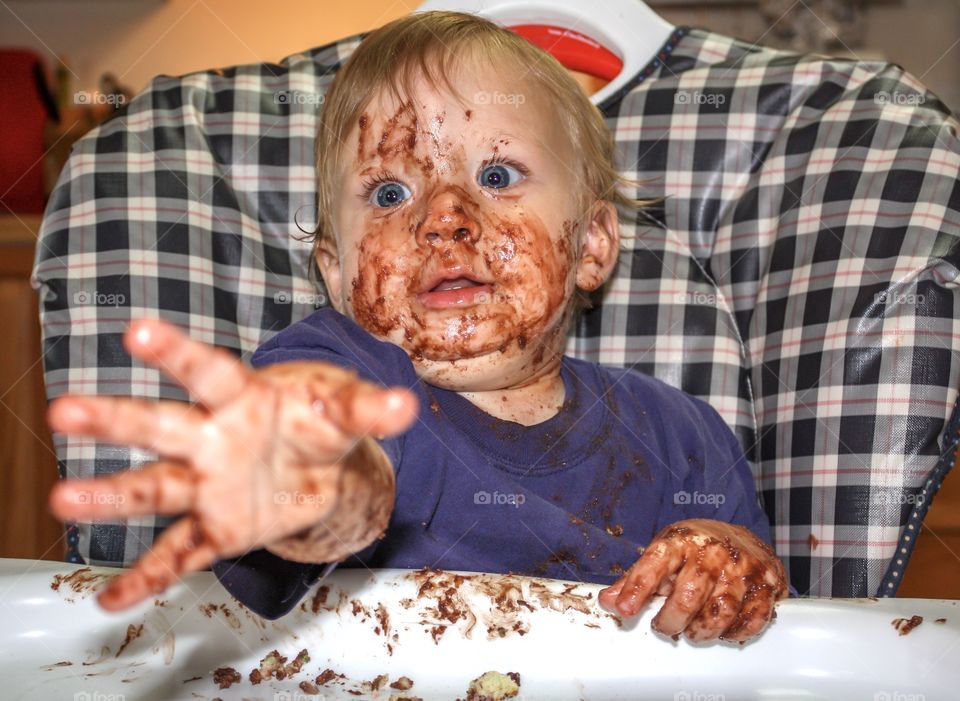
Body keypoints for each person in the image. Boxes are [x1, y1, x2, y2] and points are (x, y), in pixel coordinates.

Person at [47, 11, 788, 644]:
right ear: (334, 274)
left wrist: (727, 563)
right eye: (391, 191)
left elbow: (766, 614)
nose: (443, 218)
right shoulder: (348, 370)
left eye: (496, 176)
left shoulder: (682, 437)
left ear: (592, 244)